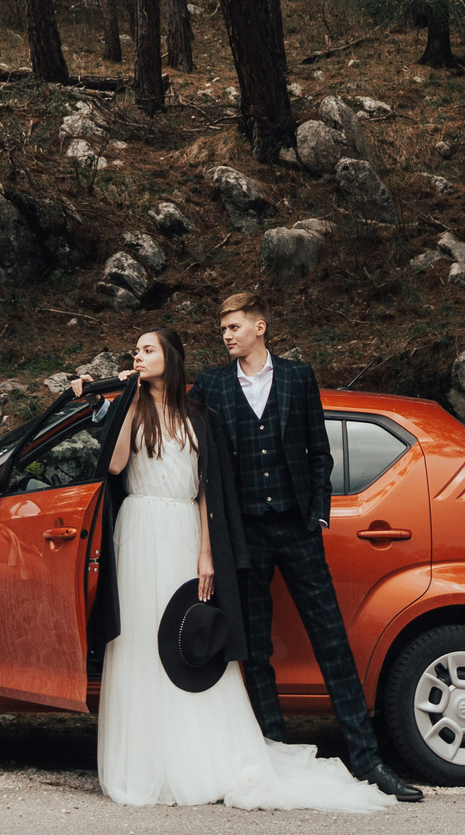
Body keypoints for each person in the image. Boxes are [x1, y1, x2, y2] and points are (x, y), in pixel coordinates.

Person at [78, 326, 393, 811]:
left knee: (193, 645)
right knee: (140, 644)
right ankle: (147, 761)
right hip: (140, 533)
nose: (137, 357)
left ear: (171, 357)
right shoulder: (134, 407)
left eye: (147, 349)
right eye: (135, 351)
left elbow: (209, 488)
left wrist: (207, 553)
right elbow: (115, 465)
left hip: (184, 532)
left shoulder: (198, 413)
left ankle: (205, 758)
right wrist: (121, 398)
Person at [189, 293, 422, 804]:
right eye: (222, 329)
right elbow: (178, 427)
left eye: (233, 326)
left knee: (331, 642)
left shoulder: (298, 377)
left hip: (297, 528)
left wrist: (318, 513)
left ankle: (366, 759)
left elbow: (320, 451)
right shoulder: (210, 384)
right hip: (246, 532)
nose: (226, 335)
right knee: (255, 648)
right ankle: (275, 755)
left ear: (259, 327)